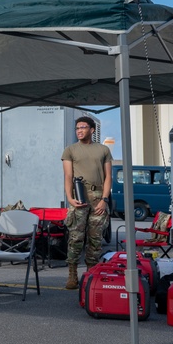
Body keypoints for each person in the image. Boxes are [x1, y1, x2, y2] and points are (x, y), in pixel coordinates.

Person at [61, 116, 112, 289]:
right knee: (76, 237)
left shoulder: (103, 150)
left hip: (98, 197)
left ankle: (91, 274)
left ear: (92, 129)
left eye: (83, 127)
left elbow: (108, 177)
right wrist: (70, 198)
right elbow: (68, 176)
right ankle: (72, 274)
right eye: (77, 128)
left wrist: (104, 200)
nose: (79, 131)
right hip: (79, 196)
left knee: (95, 239)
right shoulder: (70, 150)